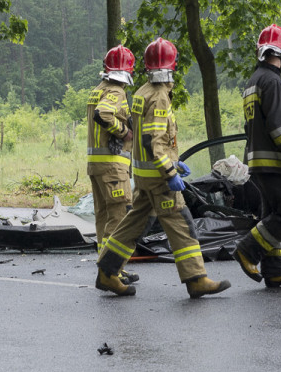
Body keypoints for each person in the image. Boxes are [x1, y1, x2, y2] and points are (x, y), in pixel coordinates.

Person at [95, 37, 230, 299]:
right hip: (159, 179)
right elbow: (153, 140)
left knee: (132, 225)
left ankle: (107, 272)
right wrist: (170, 172)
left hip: (145, 178)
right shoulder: (158, 97)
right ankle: (196, 279)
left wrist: (173, 159)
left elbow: (146, 139)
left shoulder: (142, 92)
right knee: (182, 223)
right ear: (174, 65)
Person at [235, 24, 281, 289]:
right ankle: (247, 249)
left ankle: (275, 270)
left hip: (258, 161)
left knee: (274, 213)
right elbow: (280, 123)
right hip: (276, 162)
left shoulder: (253, 81)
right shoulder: (273, 81)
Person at [86, 45, 139, 284]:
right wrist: (124, 132)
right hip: (112, 165)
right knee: (119, 215)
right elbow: (103, 114)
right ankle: (111, 271)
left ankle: (105, 267)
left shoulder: (97, 89)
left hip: (96, 165)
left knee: (103, 217)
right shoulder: (116, 91)